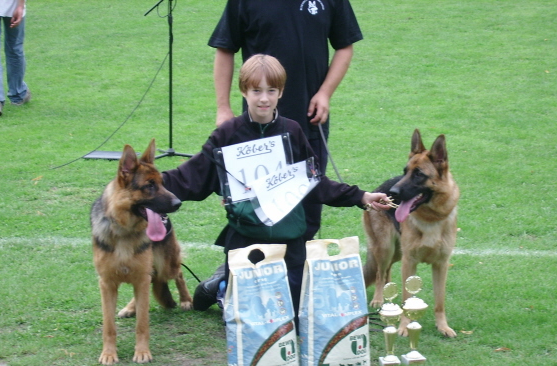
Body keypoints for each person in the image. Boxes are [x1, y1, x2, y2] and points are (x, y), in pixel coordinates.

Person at [161, 55, 389, 315]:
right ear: (244, 91)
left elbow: (313, 181)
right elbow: (192, 174)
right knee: (248, 319)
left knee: (289, 316)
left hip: (289, 237)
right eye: (256, 90)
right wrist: (150, 185)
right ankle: (217, 287)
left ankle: (227, 282)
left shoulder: (292, 131)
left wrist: (360, 196)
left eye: (271, 90)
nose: (264, 99)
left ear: (281, 92)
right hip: (245, 236)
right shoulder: (227, 135)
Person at [208, 0, 363, 241]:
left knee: (308, 205)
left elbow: (345, 45)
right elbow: (225, 47)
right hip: (258, 126)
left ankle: (299, 273)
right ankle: (252, 272)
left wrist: (325, 93)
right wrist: (223, 108)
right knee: (254, 208)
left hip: (309, 121)